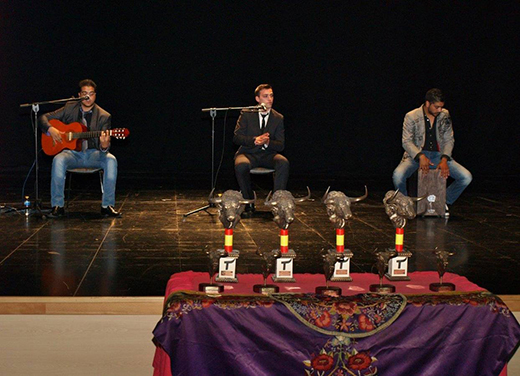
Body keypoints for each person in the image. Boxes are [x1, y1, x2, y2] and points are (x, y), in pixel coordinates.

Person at [39, 79, 121, 218]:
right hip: (71, 154)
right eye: (84, 93)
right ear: (79, 94)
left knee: (111, 160)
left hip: (93, 154)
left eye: (91, 93)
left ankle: (107, 206)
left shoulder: (104, 116)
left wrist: (104, 146)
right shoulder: (69, 108)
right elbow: (43, 117)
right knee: (58, 159)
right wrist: (51, 129)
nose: (88, 97)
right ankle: (58, 206)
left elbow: (104, 147)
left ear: (95, 95)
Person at [392, 88, 472, 210]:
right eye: (437, 107)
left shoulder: (444, 115)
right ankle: (406, 205)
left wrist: (444, 159)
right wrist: (420, 156)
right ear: (428, 103)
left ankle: (443, 201)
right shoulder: (411, 116)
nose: (440, 110)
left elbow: (449, 139)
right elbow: (406, 141)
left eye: (441, 107)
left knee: (466, 177)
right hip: (416, 155)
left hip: (438, 155)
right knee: (398, 176)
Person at [233, 84, 289, 217]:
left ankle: (277, 203)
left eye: (271, 95)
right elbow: (237, 137)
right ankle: (249, 201)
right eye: (265, 96)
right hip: (248, 153)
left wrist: (268, 142)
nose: (269, 99)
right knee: (241, 165)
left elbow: (281, 145)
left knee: (283, 162)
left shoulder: (278, 117)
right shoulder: (246, 113)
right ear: (258, 99)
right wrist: (254, 140)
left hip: (268, 154)